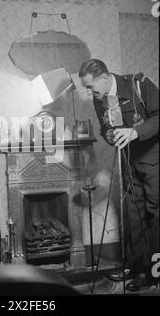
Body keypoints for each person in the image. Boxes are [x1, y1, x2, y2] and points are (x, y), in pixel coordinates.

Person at [79, 59, 159, 291]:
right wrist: (109, 136)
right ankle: (135, 266)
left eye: (90, 86)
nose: (88, 92)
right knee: (133, 214)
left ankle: (153, 273)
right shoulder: (101, 98)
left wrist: (135, 132)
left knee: (155, 215)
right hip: (128, 161)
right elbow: (106, 128)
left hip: (153, 160)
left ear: (104, 78)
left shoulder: (139, 84)